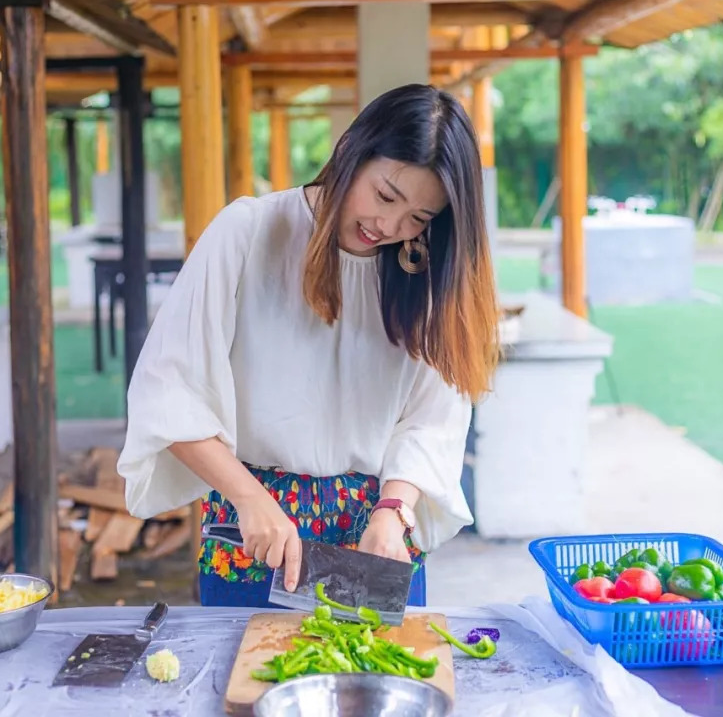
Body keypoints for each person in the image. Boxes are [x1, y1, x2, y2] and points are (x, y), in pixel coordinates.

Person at [117, 83, 500, 607]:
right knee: (246, 683)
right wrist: (249, 497)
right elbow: (170, 392)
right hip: (257, 531)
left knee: (384, 682)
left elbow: (433, 420)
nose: (389, 226)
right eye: (386, 195)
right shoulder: (248, 232)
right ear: (350, 151)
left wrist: (395, 510)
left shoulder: (427, 273)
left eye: (419, 218)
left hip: (379, 535)